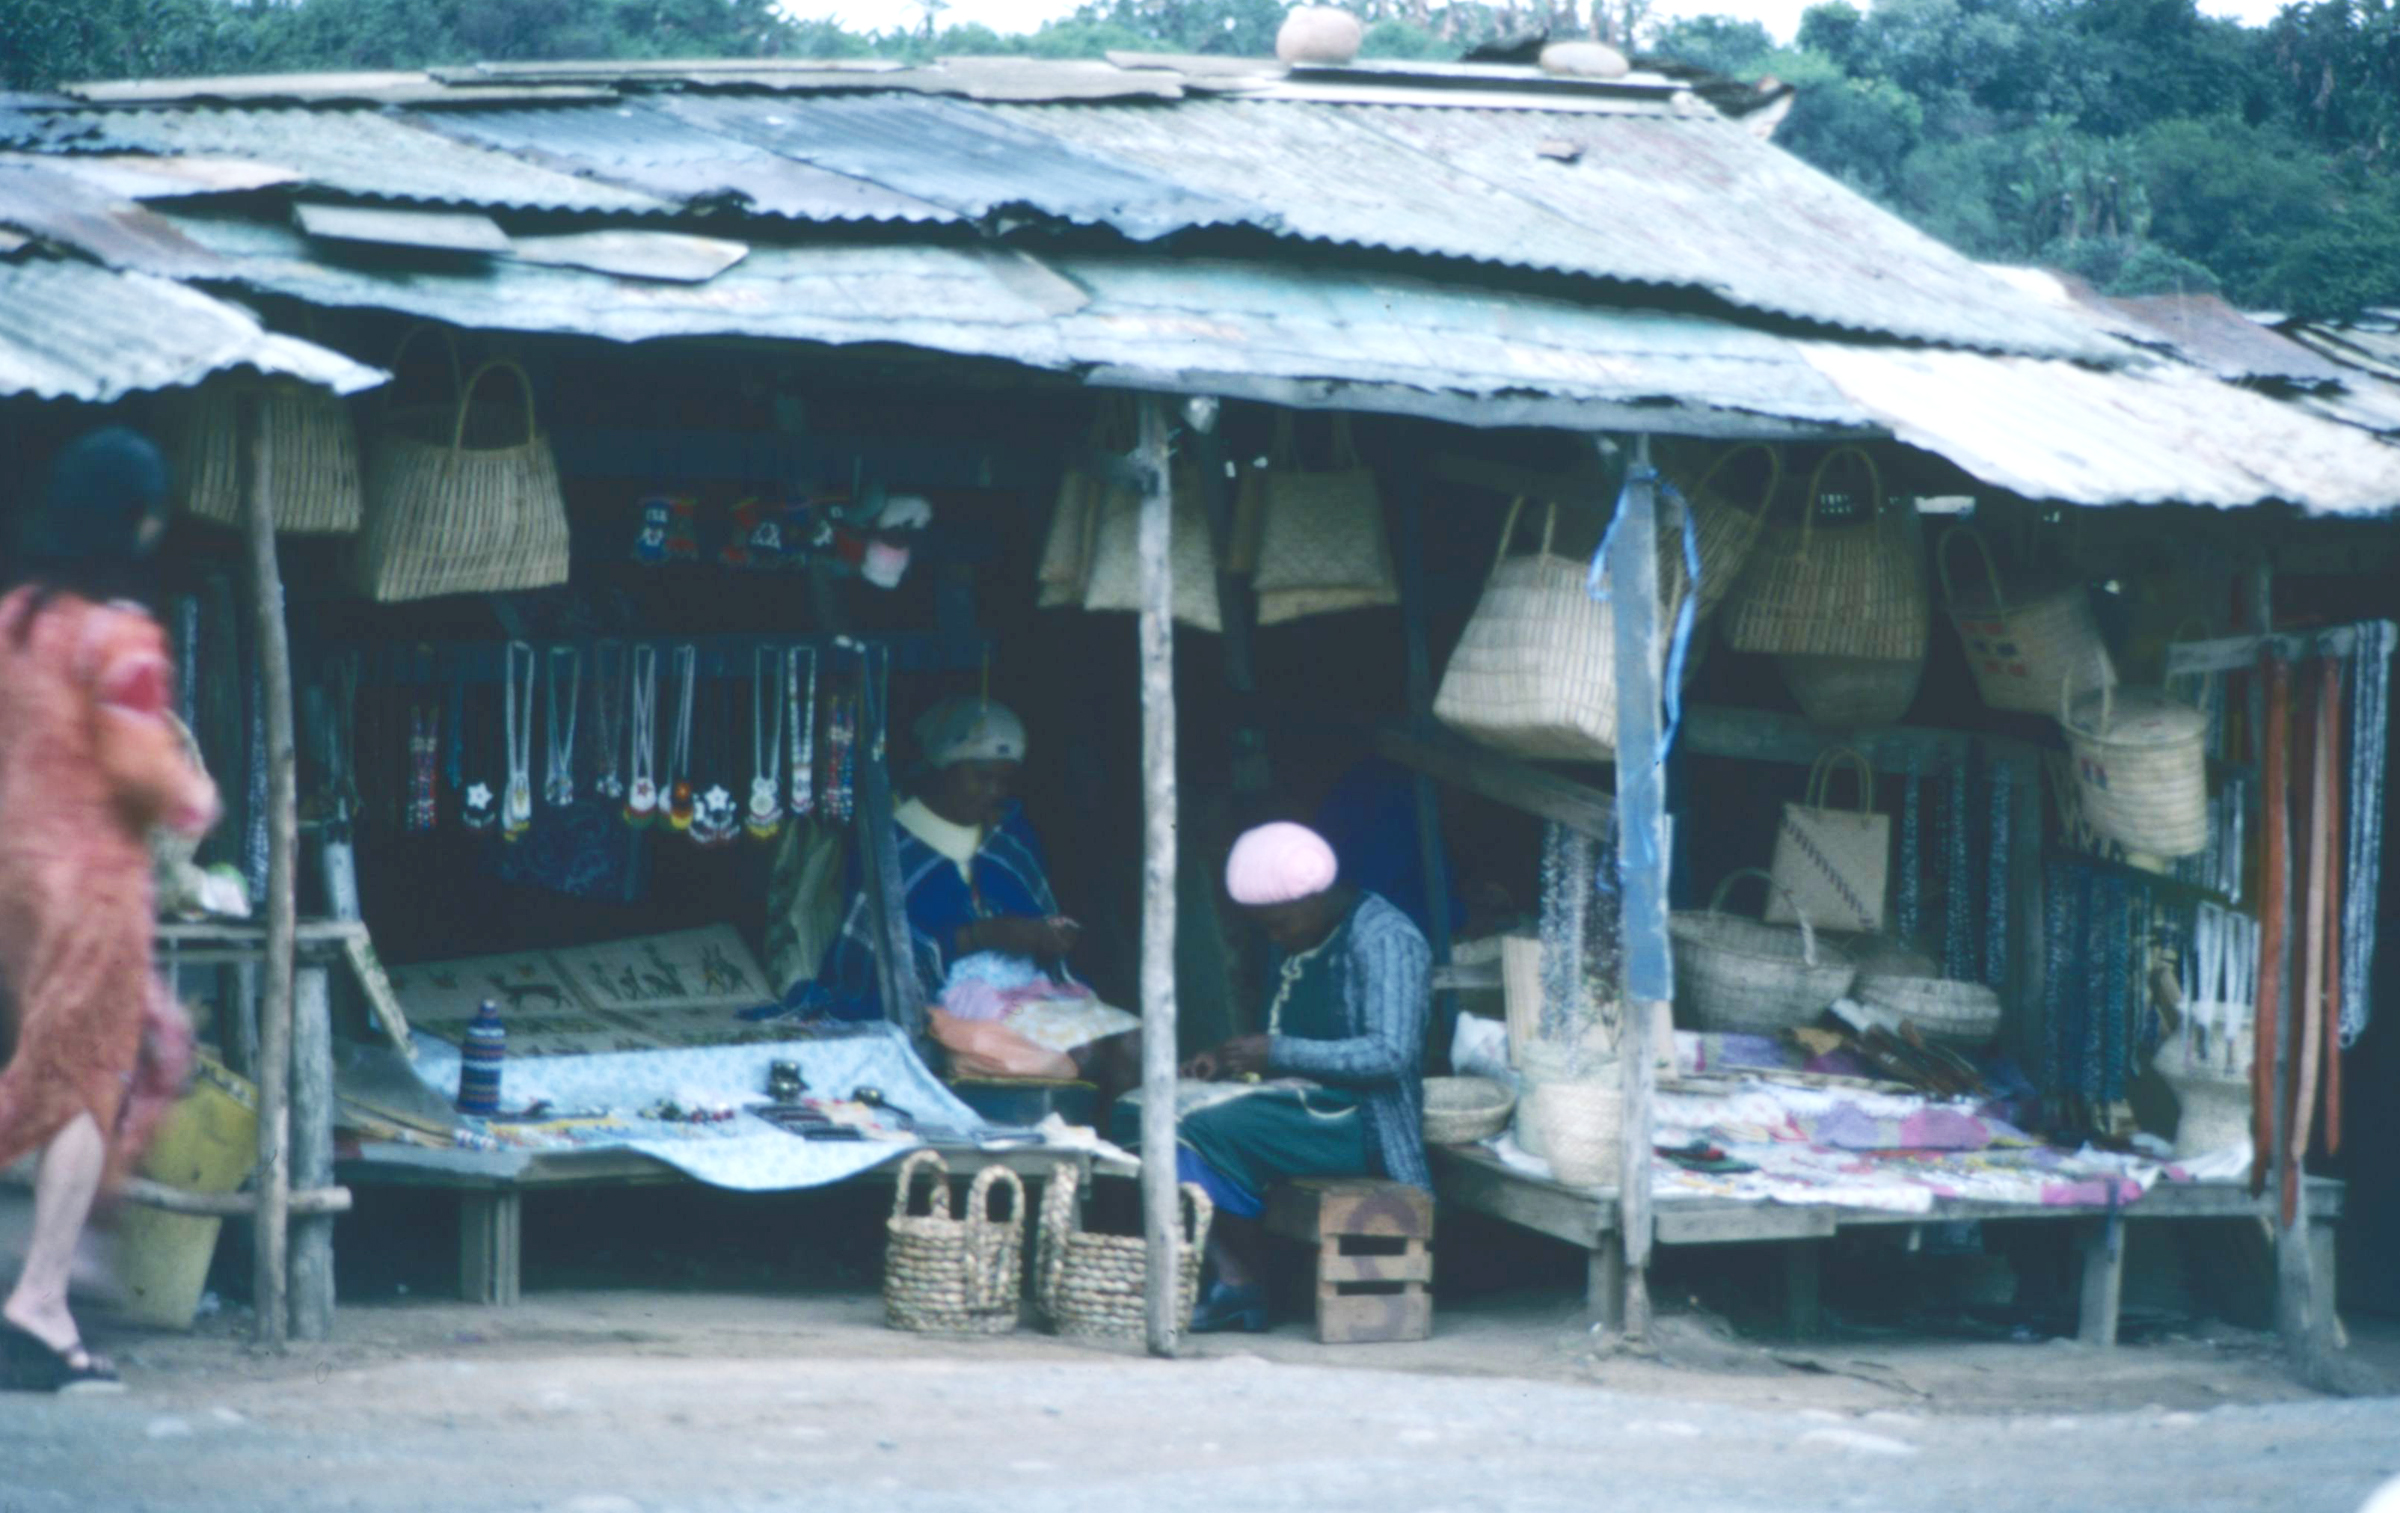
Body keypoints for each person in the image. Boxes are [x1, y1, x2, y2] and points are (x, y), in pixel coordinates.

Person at [0, 429, 218, 1392]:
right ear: (134, 521)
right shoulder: (120, 637)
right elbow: (145, 777)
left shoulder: (16, 621)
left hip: (17, 877)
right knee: (88, 1074)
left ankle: (63, 1263)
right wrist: (195, 798)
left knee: (80, 1058)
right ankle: (43, 1299)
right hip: (92, 885)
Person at [1168, 821, 1430, 1333]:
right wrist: (1227, 1060)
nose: (1275, 937)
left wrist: (1277, 1052)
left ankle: (1242, 1283)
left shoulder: (1386, 939)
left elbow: (1392, 1054)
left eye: (1280, 924)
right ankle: (1232, 1276)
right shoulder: (1301, 932)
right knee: (1148, 1108)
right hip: (1302, 1109)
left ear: (1316, 896)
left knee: (1197, 1125)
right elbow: (1289, 1036)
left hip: (1363, 1124)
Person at [813, 696, 1138, 1097]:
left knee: (1134, 1049)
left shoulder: (1009, 840)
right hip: (946, 1008)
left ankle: (1127, 1152)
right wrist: (980, 936)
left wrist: (1047, 936)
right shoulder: (889, 845)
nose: (994, 791)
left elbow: (1040, 919)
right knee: (1083, 1056)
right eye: (981, 777)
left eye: (1004, 780)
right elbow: (866, 966)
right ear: (943, 768)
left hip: (1032, 996)